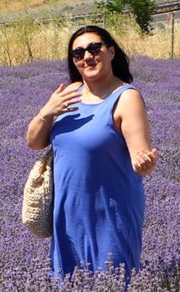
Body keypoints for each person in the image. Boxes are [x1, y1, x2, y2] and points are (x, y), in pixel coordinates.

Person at [25, 25, 158, 279]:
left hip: (110, 213)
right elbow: (33, 141)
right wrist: (48, 111)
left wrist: (144, 163)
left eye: (94, 48)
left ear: (111, 51)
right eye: (78, 54)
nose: (87, 57)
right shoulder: (68, 95)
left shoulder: (126, 98)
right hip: (67, 215)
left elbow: (139, 154)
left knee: (114, 289)